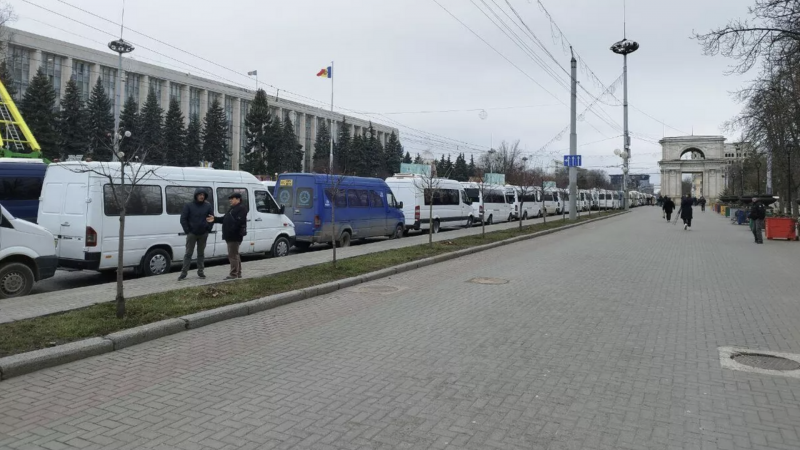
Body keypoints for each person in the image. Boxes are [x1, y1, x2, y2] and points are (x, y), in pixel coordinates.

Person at [208, 192, 248, 280]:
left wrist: (231, 230)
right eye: (230, 198)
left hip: (234, 235)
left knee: (232, 255)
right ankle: (238, 273)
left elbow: (239, 222)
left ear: (238, 199)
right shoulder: (232, 209)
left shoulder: (241, 209)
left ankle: (233, 274)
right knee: (235, 254)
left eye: (232, 198)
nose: (230, 200)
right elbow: (225, 219)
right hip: (230, 235)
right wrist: (214, 219)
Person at [179, 188, 214, 280]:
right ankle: (184, 272)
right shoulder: (189, 205)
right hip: (192, 234)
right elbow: (183, 219)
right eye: (200, 194)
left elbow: (211, 218)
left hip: (203, 233)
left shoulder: (208, 206)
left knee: (201, 253)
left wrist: (208, 229)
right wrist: (187, 230)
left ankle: (200, 271)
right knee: (188, 253)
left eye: (203, 195)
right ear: (196, 195)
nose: (201, 196)